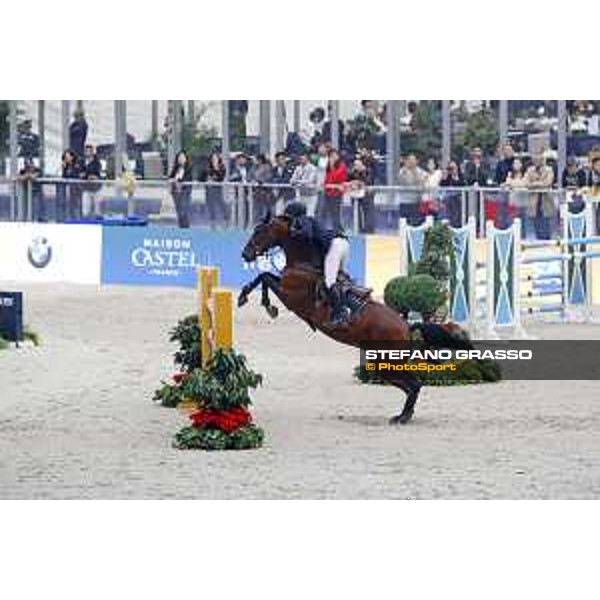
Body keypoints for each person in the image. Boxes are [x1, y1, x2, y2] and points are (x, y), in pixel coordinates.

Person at [284, 201, 350, 326]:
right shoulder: (309, 219)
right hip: (342, 243)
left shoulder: (302, 220)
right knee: (339, 279)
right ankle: (349, 305)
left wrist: (292, 233)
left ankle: (340, 314)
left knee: (329, 282)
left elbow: (306, 234)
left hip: (335, 246)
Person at [524, 153, 555, 239]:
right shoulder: (529, 170)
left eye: (539, 159)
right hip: (534, 203)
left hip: (545, 201)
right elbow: (526, 184)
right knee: (536, 224)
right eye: (535, 160)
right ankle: (539, 241)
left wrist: (534, 183)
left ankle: (547, 242)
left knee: (546, 225)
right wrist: (539, 183)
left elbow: (548, 183)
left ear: (542, 160)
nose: (536, 161)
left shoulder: (549, 170)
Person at [348, 156, 375, 233]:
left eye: (358, 164)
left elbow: (369, 181)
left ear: (363, 165)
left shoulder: (368, 171)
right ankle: (358, 228)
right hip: (355, 195)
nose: (357, 166)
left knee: (369, 212)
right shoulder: (353, 172)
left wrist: (363, 172)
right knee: (356, 212)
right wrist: (353, 172)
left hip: (367, 195)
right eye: (355, 165)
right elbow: (348, 179)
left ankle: (369, 230)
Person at [398, 153, 427, 225]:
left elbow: (421, 183)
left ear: (417, 161)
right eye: (409, 160)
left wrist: (414, 172)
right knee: (404, 225)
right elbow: (407, 182)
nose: (411, 162)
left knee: (416, 224)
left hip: (417, 202)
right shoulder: (402, 171)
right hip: (405, 202)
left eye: (413, 160)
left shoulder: (421, 171)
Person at [323, 149, 347, 229]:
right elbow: (327, 180)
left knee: (336, 213)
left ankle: (338, 230)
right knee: (329, 213)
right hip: (328, 193)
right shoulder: (328, 166)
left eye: (335, 155)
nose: (333, 157)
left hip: (337, 193)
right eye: (331, 156)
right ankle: (335, 229)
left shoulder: (342, 165)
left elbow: (336, 178)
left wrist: (332, 166)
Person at [168, 150, 193, 228]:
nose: (181, 159)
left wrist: (177, 180)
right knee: (179, 213)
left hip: (185, 193)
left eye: (182, 157)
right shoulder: (176, 168)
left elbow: (187, 179)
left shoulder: (189, 168)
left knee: (184, 213)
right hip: (176, 193)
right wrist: (172, 180)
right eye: (179, 157)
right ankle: (181, 228)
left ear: (186, 158)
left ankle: (186, 229)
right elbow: (170, 177)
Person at [229, 153, 254, 227]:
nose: (242, 160)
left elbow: (252, 177)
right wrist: (236, 177)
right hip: (237, 192)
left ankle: (246, 224)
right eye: (240, 159)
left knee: (247, 208)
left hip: (247, 191)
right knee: (237, 208)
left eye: (244, 159)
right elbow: (230, 178)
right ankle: (237, 224)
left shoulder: (250, 168)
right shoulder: (233, 168)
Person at [503, 158, 528, 234]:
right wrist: (510, 184)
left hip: (523, 203)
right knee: (511, 221)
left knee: (522, 223)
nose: (516, 165)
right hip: (512, 203)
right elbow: (507, 185)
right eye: (514, 163)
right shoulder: (510, 174)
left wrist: (512, 184)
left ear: (521, 165)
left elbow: (524, 184)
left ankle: (522, 238)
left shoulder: (526, 174)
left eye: (518, 163)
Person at [58, 149, 82, 221]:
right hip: (69, 190)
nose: (66, 159)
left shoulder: (77, 165)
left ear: (72, 157)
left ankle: (77, 218)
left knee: (76, 205)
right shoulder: (67, 167)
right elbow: (64, 177)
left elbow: (76, 175)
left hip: (76, 189)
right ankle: (69, 218)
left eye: (67, 157)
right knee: (69, 205)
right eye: (65, 157)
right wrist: (64, 168)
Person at [440, 161, 466, 227]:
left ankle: (456, 224)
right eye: (450, 168)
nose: (452, 170)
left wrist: (455, 177)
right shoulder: (448, 177)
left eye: (454, 167)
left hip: (458, 199)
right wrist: (444, 177)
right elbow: (442, 185)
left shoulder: (461, 176)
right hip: (448, 200)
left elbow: (463, 185)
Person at [205, 151, 227, 227]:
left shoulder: (222, 167)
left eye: (215, 158)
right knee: (211, 207)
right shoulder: (208, 167)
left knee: (221, 205)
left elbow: (221, 178)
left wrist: (216, 169)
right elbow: (201, 177)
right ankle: (212, 223)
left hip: (218, 190)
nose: (214, 159)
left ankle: (225, 221)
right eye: (212, 158)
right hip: (209, 191)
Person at [81, 144, 102, 216]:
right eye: (86, 151)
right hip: (86, 188)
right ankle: (86, 220)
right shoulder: (83, 162)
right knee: (86, 209)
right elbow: (81, 173)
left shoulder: (97, 162)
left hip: (96, 188)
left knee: (97, 208)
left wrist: (94, 177)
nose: (87, 153)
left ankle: (97, 218)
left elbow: (98, 174)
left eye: (89, 151)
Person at [253, 154, 275, 220]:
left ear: (260, 160)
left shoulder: (267, 167)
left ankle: (268, 219)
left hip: (266, 191)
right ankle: (258, 219)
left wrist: (260, 181)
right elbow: (251, 176)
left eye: (256, 159)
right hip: (257, 191)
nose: (255, 161)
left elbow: (269, 177)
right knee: (258, 206)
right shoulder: (255, 167)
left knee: (267, 206)